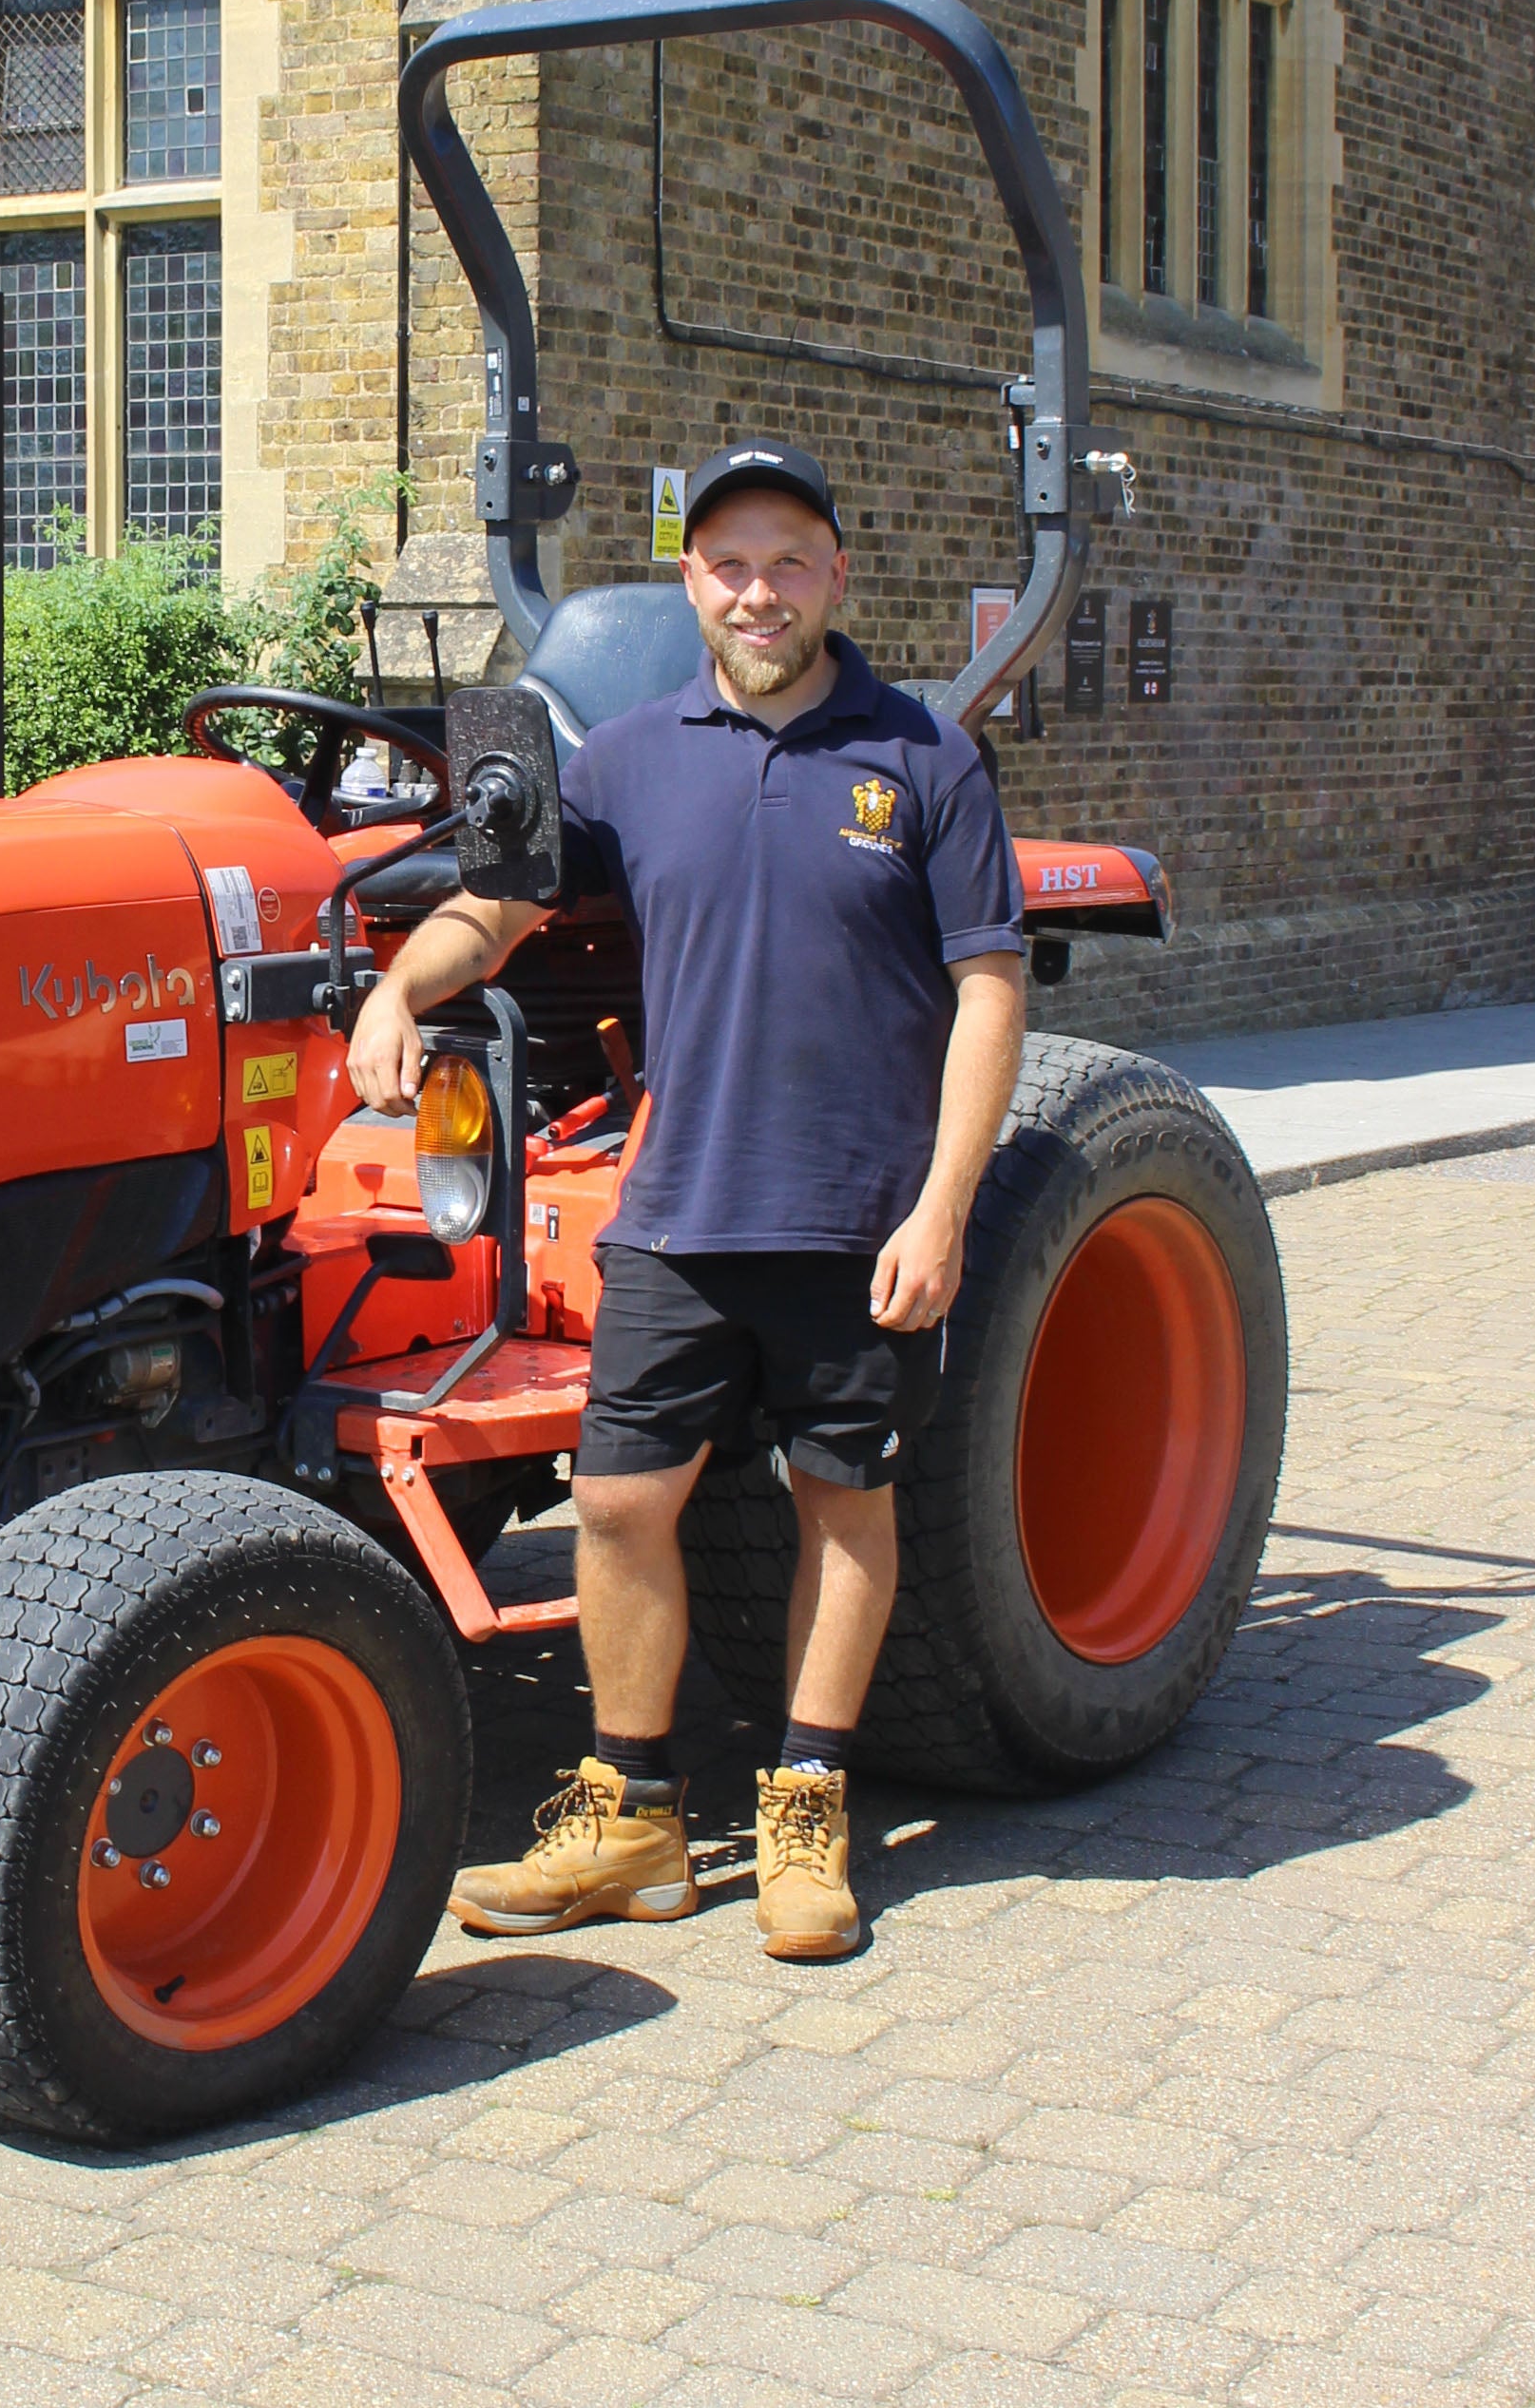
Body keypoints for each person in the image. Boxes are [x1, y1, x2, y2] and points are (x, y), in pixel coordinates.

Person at [347, 440, 1027, 1960]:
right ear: (689, 583)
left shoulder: (923, 758)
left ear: (834, 577)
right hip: (680, 1203)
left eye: (788, 560)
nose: (758, 589)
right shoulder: (631, 755)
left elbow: (990, 986)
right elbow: (500, 899)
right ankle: (635, 1814)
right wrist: (403, 984)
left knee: (842, 1507)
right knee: (617, 1500)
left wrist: (944, 1207)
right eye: (729, 563)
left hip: (857, 1214)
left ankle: (803, 1800)